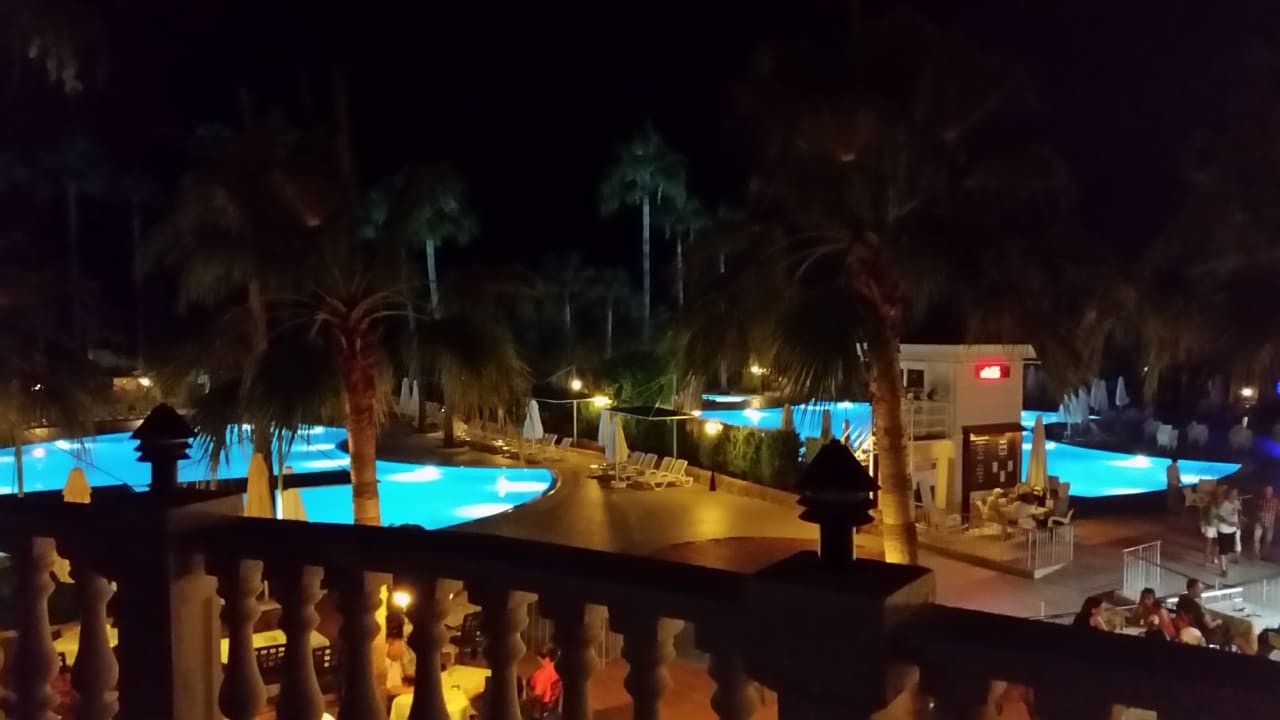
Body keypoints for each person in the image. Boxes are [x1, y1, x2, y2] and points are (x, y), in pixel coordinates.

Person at [526, 645, 561, 719]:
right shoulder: (557, 669)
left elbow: (537, 694)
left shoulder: (544, 673)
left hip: (542, 706)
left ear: (547, 659)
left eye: (541, 656)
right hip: (552, 704)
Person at [1216, 487, 1243, 576]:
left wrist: (1238, 523)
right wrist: (1228, 522)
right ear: (1229, 494)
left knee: (1230, 551)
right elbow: (1218, 516)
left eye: (1236, 493)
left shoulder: (1236, 502)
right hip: (1223, 530)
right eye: (1233, 493)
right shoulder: (1224, 504)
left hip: (1232, 530)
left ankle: (1225, 566)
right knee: (1223, 551)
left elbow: (1238, 512)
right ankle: (1223, 570)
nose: (1235, 495)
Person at [385, 621, 417, 693]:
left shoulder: (394, 659)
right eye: (401, 643)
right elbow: (391, 690)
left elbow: (408, 674)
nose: (403, 649)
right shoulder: (384, 662)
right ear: (390, 642)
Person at [1253, 485, 1278, 559]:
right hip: (1259, 523)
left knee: (1268, 540)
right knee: (1256, 539)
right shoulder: (1260, 500)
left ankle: (1264, 555)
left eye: (1269, 491)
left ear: (1272, 492)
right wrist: (1258, 515)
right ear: (1264, 491)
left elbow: (1277, 511)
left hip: (1270, 523)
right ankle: (1257, 554)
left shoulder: (1275, 501)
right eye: (1267, 491)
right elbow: (1255, 510)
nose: (1268, 492)